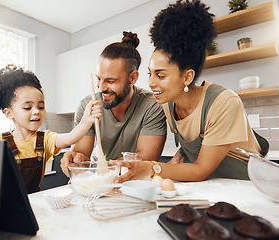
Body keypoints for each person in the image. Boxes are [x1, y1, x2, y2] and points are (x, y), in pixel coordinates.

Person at [114, 0, 269, 182]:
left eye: (160, 76)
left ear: (187, 77)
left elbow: (201, 169)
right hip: (212, 186)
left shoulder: (224, 102)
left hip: (246, 186)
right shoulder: (168, 104)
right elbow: (188, 153)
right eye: (150, 74)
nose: (151, 83)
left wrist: (151, 168)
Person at [0, 64, 102, 193]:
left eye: (41, 106)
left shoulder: (45, 139)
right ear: (9, 113)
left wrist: (86, 121)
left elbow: (69, 138)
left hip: (33, 201)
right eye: (27, 107)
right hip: (4, 204)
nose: (36, 111)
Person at [60, 31, 167, 176]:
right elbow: (82, 154)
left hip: (133, 183)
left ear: (133, 78)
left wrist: (107, 170)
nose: (101, 88)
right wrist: (76, 159)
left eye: (110, 81)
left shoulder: (151, 107)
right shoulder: (88, 106)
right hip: (98, 179)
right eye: (99, 78)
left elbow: (145, 160)